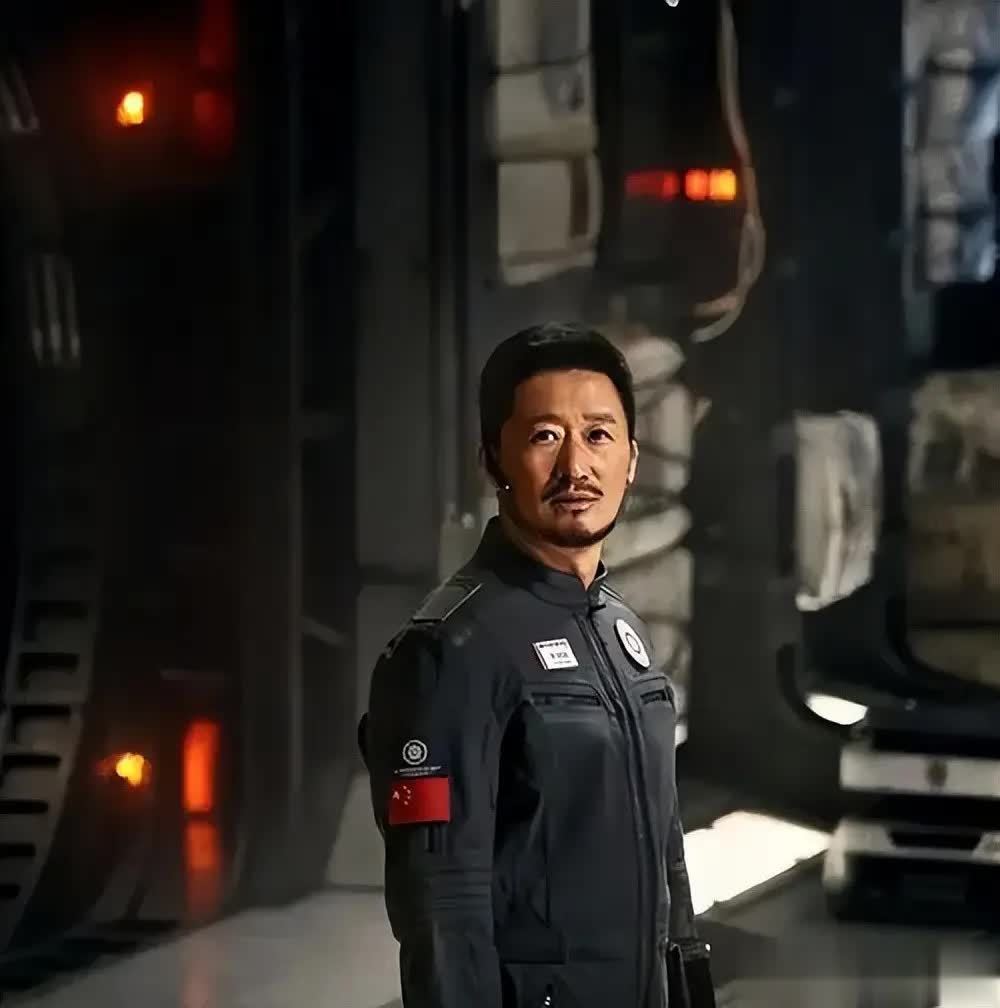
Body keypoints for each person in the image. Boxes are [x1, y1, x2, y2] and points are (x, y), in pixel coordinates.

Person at [358, 322, 714, 1007]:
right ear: (493, 460)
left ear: (632, 460)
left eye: (599, 435)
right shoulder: (450, 652)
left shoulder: (621, 633)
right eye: (546, 436)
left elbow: (669, 866)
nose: (576, 467)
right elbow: (441, 914)